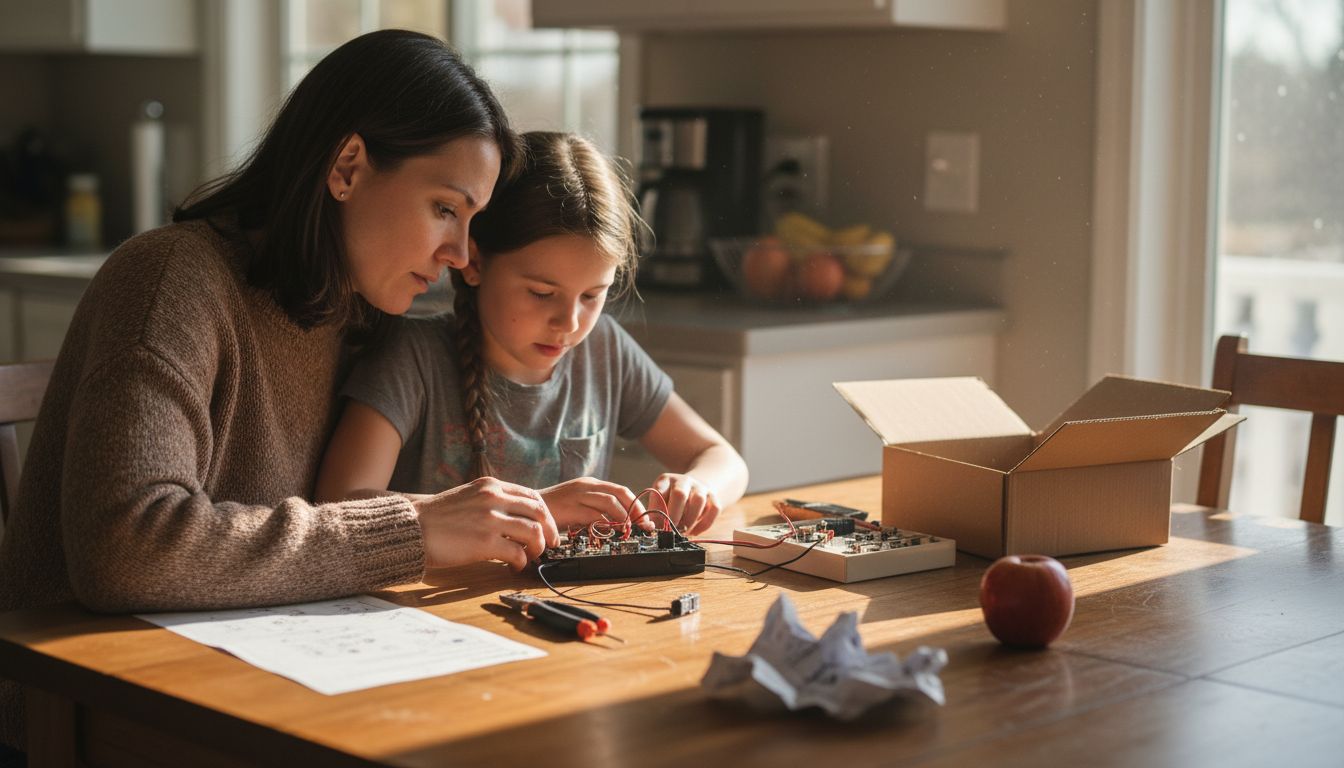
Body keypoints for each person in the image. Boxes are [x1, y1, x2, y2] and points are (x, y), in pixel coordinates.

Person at [0, 30, 551, 754]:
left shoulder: (354, 316)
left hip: (238, 692)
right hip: (80, 717)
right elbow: (126, 547)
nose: (458, 255)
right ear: (349, 166)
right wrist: (411, 530)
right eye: (446, 209)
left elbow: (305, 527)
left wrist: (483, 517)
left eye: (473, 222)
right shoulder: (172, 280)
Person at [316, 131, 749, 535]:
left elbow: (723, 459)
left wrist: (699, 486)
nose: (570, 322)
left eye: (592, 296)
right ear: (476, 262)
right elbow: (337, 504)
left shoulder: (605, 350)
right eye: (542, 293)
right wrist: (539, 507)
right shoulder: (412, 358)